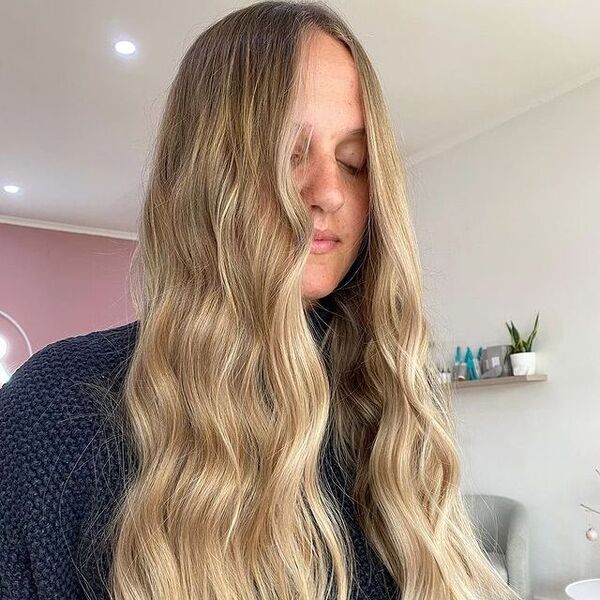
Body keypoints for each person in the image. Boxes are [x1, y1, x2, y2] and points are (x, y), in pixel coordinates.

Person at [0, 2, 521, 599]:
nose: (328, 191)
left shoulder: (389, 396)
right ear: (205, 175)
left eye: (354, 162)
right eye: (287, 153)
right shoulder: (54, 413)